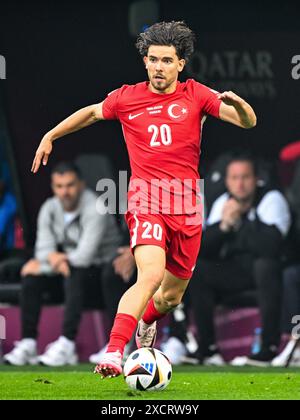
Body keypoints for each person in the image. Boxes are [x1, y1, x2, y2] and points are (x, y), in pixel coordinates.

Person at [31, 21, 257, 377]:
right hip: (145, 200)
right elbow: (91, 113)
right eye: (153, 60)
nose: (158, 67)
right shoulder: (127, 98)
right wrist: (51, 134)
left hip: (186, 205)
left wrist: (241, 105)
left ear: (180, 64)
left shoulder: (196, 95)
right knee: (149, 276)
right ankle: (113, 352)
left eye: (167, 61)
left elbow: (247, 123)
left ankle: (148, 319)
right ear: (145, 62)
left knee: (170, 297)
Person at [4, 162, 121, 366]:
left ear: (81, 184)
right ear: (53, 187)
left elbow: (85, 255)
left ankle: (67, 343)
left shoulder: (96, 207)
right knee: (32, 278)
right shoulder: (49, 208)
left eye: (70, 185)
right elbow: (43, 250)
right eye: (59, 186)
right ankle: (28, 343)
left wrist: (52, 261)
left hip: (101, 274)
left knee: (73, 272)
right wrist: (52, 261)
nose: (65, 192)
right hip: (70, 273)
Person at [189, 154, 291, 366]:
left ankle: (268, 348)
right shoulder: (223, 203)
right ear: (227, 181)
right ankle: (207, 348)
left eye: (245, 177)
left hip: (269, 274)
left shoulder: (271, 199)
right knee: (197, 270)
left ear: (256, 179)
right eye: (234, 178)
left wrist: (242, 220)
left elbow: (270, 247)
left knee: (265, 266)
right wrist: (224, 226)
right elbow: (203, 249)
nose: (240, 184)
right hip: (238, 272)